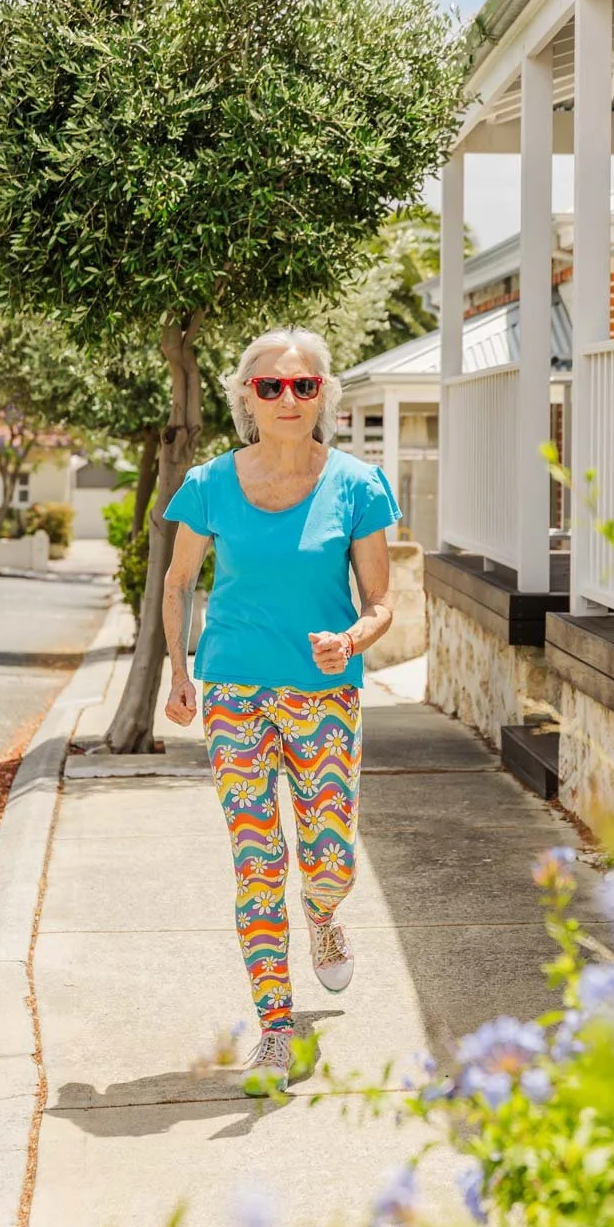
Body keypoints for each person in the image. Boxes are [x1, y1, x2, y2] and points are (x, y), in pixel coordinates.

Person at [161, 327, 401, 1095]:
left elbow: (383, 602)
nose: (288, 398)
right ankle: (273, 1028)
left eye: (303, 386)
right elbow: (177, 583)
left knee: (326, 859)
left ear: (324, 394)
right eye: (271, 387)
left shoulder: (359, 486)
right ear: (247, 399)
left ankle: (325, 912)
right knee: (257, 860)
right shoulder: (207, 485)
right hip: (234, 693)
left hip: (325, 695)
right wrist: (180, 672)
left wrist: (354, 637)